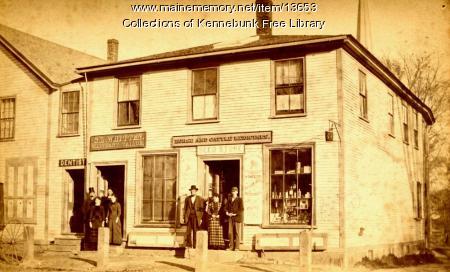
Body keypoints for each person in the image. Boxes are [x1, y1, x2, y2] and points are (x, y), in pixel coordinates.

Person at [225, 187, 244, 251]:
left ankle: (237, 247)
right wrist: (227, 212)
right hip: (230, 218)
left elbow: (241, 209)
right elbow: (225, 207)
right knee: (230, 232)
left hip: (237, 218)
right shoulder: (229, 199)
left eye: (235, 191)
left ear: (237, 192)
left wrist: (235, 214)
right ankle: (231, 247)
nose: (233, 192)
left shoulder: (239, 199)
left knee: (237, 232)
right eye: (232, 191)